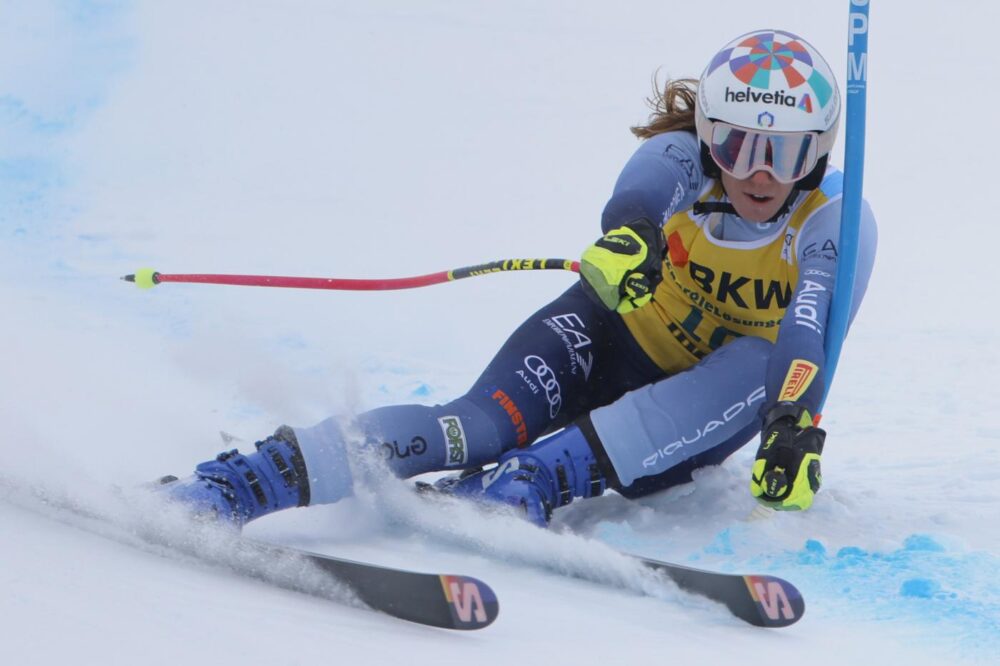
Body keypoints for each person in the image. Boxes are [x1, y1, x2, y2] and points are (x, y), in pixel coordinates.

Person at [159, 29, 877, 528]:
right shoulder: (687, 160)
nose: (756, 172)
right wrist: (632, 237)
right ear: (709, 134)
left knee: (759, 360)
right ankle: (258, 475)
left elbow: (809, 327)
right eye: (737, 144)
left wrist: (792, 424)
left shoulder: (836, 221)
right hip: (602, 336)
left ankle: (537, 478)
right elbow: (645, 183)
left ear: (818, 151)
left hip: (700, 405)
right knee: (477, 425)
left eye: (783, 153)